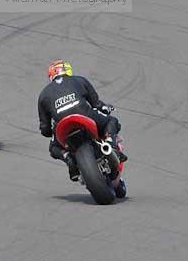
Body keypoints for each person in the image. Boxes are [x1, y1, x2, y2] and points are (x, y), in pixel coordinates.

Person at [37, 60, 127, 196]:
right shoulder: (79, 80)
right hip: (84, 114)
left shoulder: (43, 95)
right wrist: (106, 108)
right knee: (112, 121)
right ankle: (111, 145)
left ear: (51, 76)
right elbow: (97, 104)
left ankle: (68, 159)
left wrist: (51, 131)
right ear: (68, 70)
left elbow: (44, 129)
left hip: (62, 125)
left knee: (53, 148)